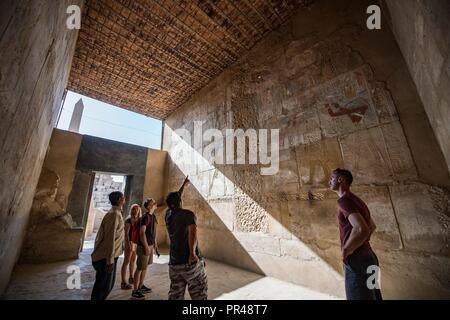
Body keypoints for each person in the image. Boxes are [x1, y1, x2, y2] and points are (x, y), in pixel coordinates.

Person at [329, 168, 382, 300]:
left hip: (357, 260)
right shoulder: (357, 200)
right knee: (374, 296)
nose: (329, 181)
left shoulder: (344, 201)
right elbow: (372, 226)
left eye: (332, 178)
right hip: (370, 257)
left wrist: (346, 250)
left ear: (340, 179)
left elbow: (361, 229)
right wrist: (363, 241)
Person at [165, 176, 208, 300]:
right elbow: (192, 234)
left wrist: (183, 185)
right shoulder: (188, 215)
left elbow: (176, 197)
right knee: (199, 292)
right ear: (179, 202)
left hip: (174, 263)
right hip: (188, 262)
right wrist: (192, 254)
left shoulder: (168, 214)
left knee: (175, 294)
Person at [91, 191, 125, 300]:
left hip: (110, 256)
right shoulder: (114, 214)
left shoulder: (116, 213)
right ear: (119, 200)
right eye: (123, 197)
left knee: (106, 286)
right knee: (103, 287)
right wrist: (109, 260)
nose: (125, 198)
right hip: (105, 258)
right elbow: (109, 239)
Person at [131, 198, 158, 299]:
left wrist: (155, 244)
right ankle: (134, 291)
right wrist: (146, 247)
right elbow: (142, 234)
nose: (155, 204)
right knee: (139, 268)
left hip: (150, 246)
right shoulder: (145, 217)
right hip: (144, 246)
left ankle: (141, 286)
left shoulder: (153, 216)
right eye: (153, 203)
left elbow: (153, 232)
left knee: (145, 267)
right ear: (149, 206)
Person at [120, 204, 141, 290]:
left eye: (136, 209)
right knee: (126, 261)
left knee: (133, 260)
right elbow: (126, 234)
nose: (135, 211)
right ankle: (123, 282)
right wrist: (128, 244)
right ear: (131, 210)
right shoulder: (128, 220)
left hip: (136, 243)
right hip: (130, 242)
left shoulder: (139, 220)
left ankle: (131, 277)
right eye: (133, 209)